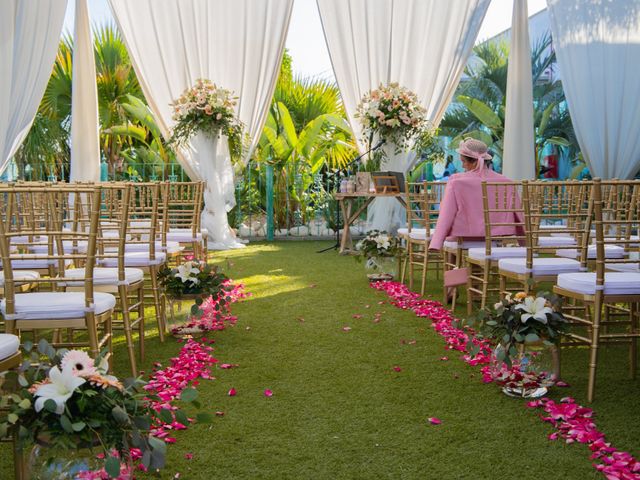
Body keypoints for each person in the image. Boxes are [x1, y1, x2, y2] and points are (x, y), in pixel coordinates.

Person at [428, 139, 520, 300]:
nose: (462, 165)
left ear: (470, 162)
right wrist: (525, 241)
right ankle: (476, 289)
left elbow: (446, 213)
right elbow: (518, 211)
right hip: (494, 235)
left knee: (452, 244)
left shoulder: (456, 181)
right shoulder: (506, 181)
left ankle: (452, 288)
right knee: (477, 244)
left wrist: (437, 241)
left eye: (463, 161)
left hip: (464, 235)